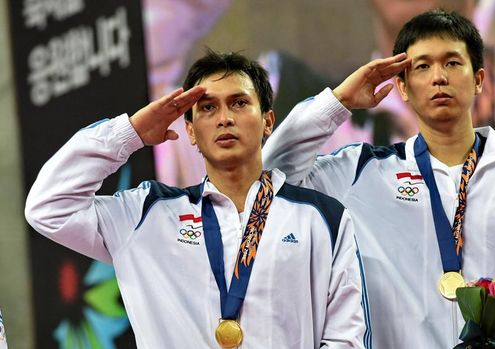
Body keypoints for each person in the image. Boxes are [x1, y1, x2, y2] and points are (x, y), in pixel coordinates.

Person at [263, 9, 495, 348]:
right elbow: (268, 177)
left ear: (480, 79)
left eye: (452, 63)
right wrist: (338, 102)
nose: (439, 77)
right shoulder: (361, 172)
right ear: (403, 88)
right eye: (422, 66)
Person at [25, 50, 368, 348]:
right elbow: (49, 207)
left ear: (267, 121)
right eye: (207, 108)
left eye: (239, 102)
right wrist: (129, 134)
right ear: (189, 130)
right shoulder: (147, 215)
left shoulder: (323, 218)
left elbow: (345, 338)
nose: (224, 118)